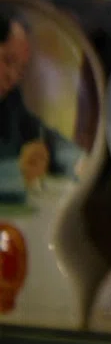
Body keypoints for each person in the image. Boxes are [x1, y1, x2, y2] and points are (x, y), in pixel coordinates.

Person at [0, 13, 84, 204]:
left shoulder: (10, 100)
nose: (12, 77)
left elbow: (45, 138)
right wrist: (19, 171)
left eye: (21, 69)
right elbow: (24, 168)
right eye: (8, 60)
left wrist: (79, 163)